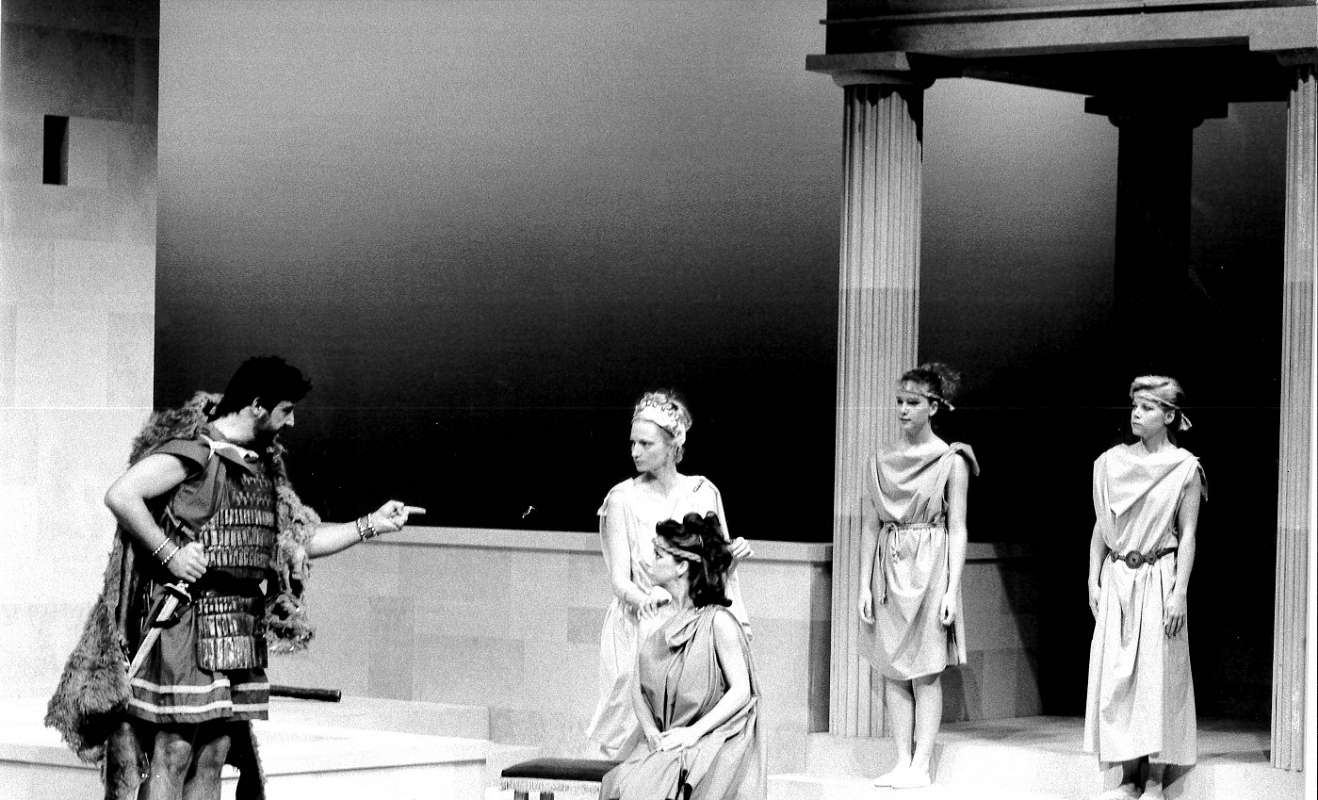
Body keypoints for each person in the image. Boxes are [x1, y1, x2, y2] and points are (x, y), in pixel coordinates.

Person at [46, 356, 424, 800]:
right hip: (185, 623)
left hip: (239, 627)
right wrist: (170, 554)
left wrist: (371, 524)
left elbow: (297, 541)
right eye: (286, 410)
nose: (292, 421)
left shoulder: (262, 469)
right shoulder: (196, 451)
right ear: (258, 405)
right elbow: (122, 494)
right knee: (174, 751)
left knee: (214, 754)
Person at [587, 390, 752, 758]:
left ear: (672, 444)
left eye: (645, 443)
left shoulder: (702, 492)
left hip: (692, 622)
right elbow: (619, 579)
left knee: (690, 719)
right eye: (632, 442)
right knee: (629, 733)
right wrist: (645, 600)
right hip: (640, 621)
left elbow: (715, 567)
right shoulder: (621, 498)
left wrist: (732, 558)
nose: (635, 451)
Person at [857, 363, 977, 790]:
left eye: (912, 402)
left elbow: (958, 527)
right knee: (893, 667)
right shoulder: (880, 459)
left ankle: (921, 765)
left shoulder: (951, 461)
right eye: (899, 402)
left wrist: (951, 589)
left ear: (933, 407)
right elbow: (870, 524)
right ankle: (901, 760)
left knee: (925, 670)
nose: (903, 410)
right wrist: (863, 585)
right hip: (890, 566)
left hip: (930, 566)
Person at [1084, 375, 1204, 800]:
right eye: (1135, 406)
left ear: (1169, 416)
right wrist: (1093, 577)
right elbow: (1102, 525)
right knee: (1117, 678)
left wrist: (1179, 592)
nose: (1136, 414)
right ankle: (1126, 776)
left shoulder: (1184, 468)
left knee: (1157, 675)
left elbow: (1187, 535)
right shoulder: (1110, 462)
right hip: (1119, 576)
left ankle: (1153, 779)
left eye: (1148, 407)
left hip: (1159, 576)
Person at [600, 512, 765, 800]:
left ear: (681, 566)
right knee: (620, 783)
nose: (649, 561)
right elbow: (638, 690)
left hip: (711, 739)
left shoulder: (718, 622)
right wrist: (651, 732)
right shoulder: (656, 620)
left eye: (658, 554)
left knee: (648, 787)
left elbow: (741, 691)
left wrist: (693, 734)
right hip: (667, 740)